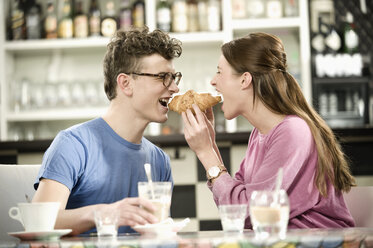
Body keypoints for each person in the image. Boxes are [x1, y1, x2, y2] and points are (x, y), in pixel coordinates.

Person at [181, 32, 356, 228]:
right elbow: (233, 205)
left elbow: (248, 214)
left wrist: (205, 152)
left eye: (220, 72)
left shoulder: (293, 132)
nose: (213, 81)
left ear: (244, 80)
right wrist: (211, 146)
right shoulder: (260, 134)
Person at [32, 27, 183, 235]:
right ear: (125, 83)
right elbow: (38, 222)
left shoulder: (159, 161)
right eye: (163, 77)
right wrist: (104, 214)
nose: (174, 88)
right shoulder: (73, 145)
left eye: (175, 77)